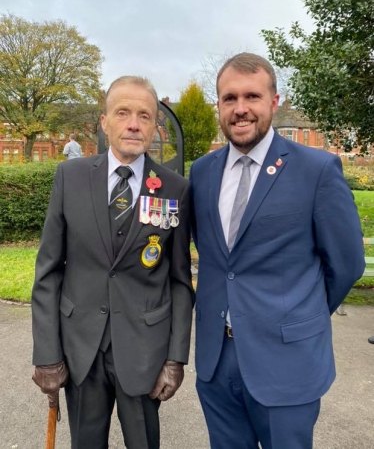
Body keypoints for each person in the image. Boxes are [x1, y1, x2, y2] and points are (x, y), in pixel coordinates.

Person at [189, 52, 365, 449]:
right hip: (217, 361)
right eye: (229, 98)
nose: (240, 108)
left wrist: (299, 312)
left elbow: (347, 263)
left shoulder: (316, 170)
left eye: (252, 96)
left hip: (287, 361)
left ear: (274, 101)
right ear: (218, 105)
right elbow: (216, 255)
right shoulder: (202, 172)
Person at [32, 76, 194, 449]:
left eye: (144, 115)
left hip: (144, 351)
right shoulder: (69, 177)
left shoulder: (174, 188)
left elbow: (180, 281)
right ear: (104, 123)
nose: (133, 123)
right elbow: (48, 272)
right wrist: (46, 354)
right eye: (123, 112)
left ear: (155, 126)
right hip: (80, 349)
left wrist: (175, 357)